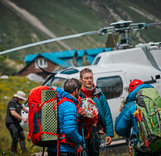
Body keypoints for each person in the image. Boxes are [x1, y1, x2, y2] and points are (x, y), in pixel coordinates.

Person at [115, 79, 161, 156]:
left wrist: (127, 134)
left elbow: (119, 129)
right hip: (159, 142)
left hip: (142, 146)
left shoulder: (131, 105)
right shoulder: (156, 100)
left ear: (130, 92)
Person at [79, 68, 114, 156]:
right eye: (86, 78)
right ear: (81, 80)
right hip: (82, 133)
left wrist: (109, 133)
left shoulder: (98, 93)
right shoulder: (77, 94)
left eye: (91, 78)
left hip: (96, 132)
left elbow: (107, 113)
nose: (89, 80)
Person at [47, 78, 83, 156]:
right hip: (64, 150)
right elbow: (69, 130)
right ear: (76, 90)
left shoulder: (58, 101)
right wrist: (80, 139)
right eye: (79, 91)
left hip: (52, 147)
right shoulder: (70, 105)